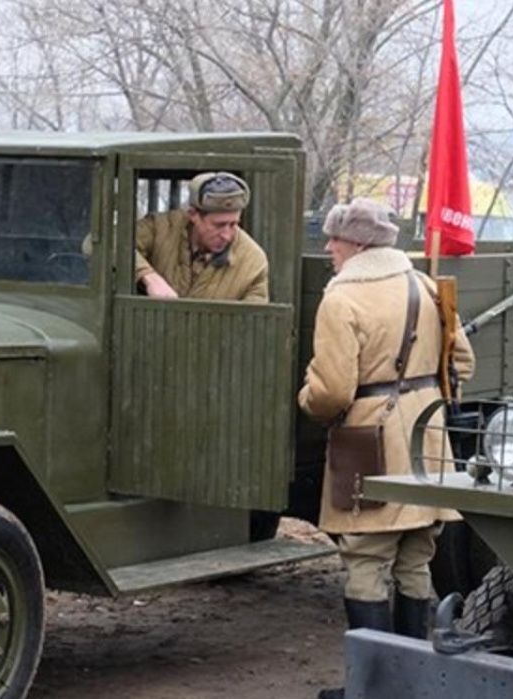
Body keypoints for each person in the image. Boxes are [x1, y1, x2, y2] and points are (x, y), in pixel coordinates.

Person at [298, 198, 475, 699]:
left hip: (364, 440)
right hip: (428, 439)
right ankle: (409, 684)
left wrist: (307, 396)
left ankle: (373, 688)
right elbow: (463, 360)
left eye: (335, 239)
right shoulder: (423, 285)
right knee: (416, 558)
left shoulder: (341, 299)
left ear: (357, 245)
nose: (328, 247)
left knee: (364, 558)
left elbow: (331, 391)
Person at [134, 172, 269, 303]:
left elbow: (255, 321)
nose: (227, 236)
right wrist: (148, 276)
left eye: (234, 224)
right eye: (219, 225)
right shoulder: (160, 228)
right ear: (193, 215)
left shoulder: (253, 262)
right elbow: (118, 243)